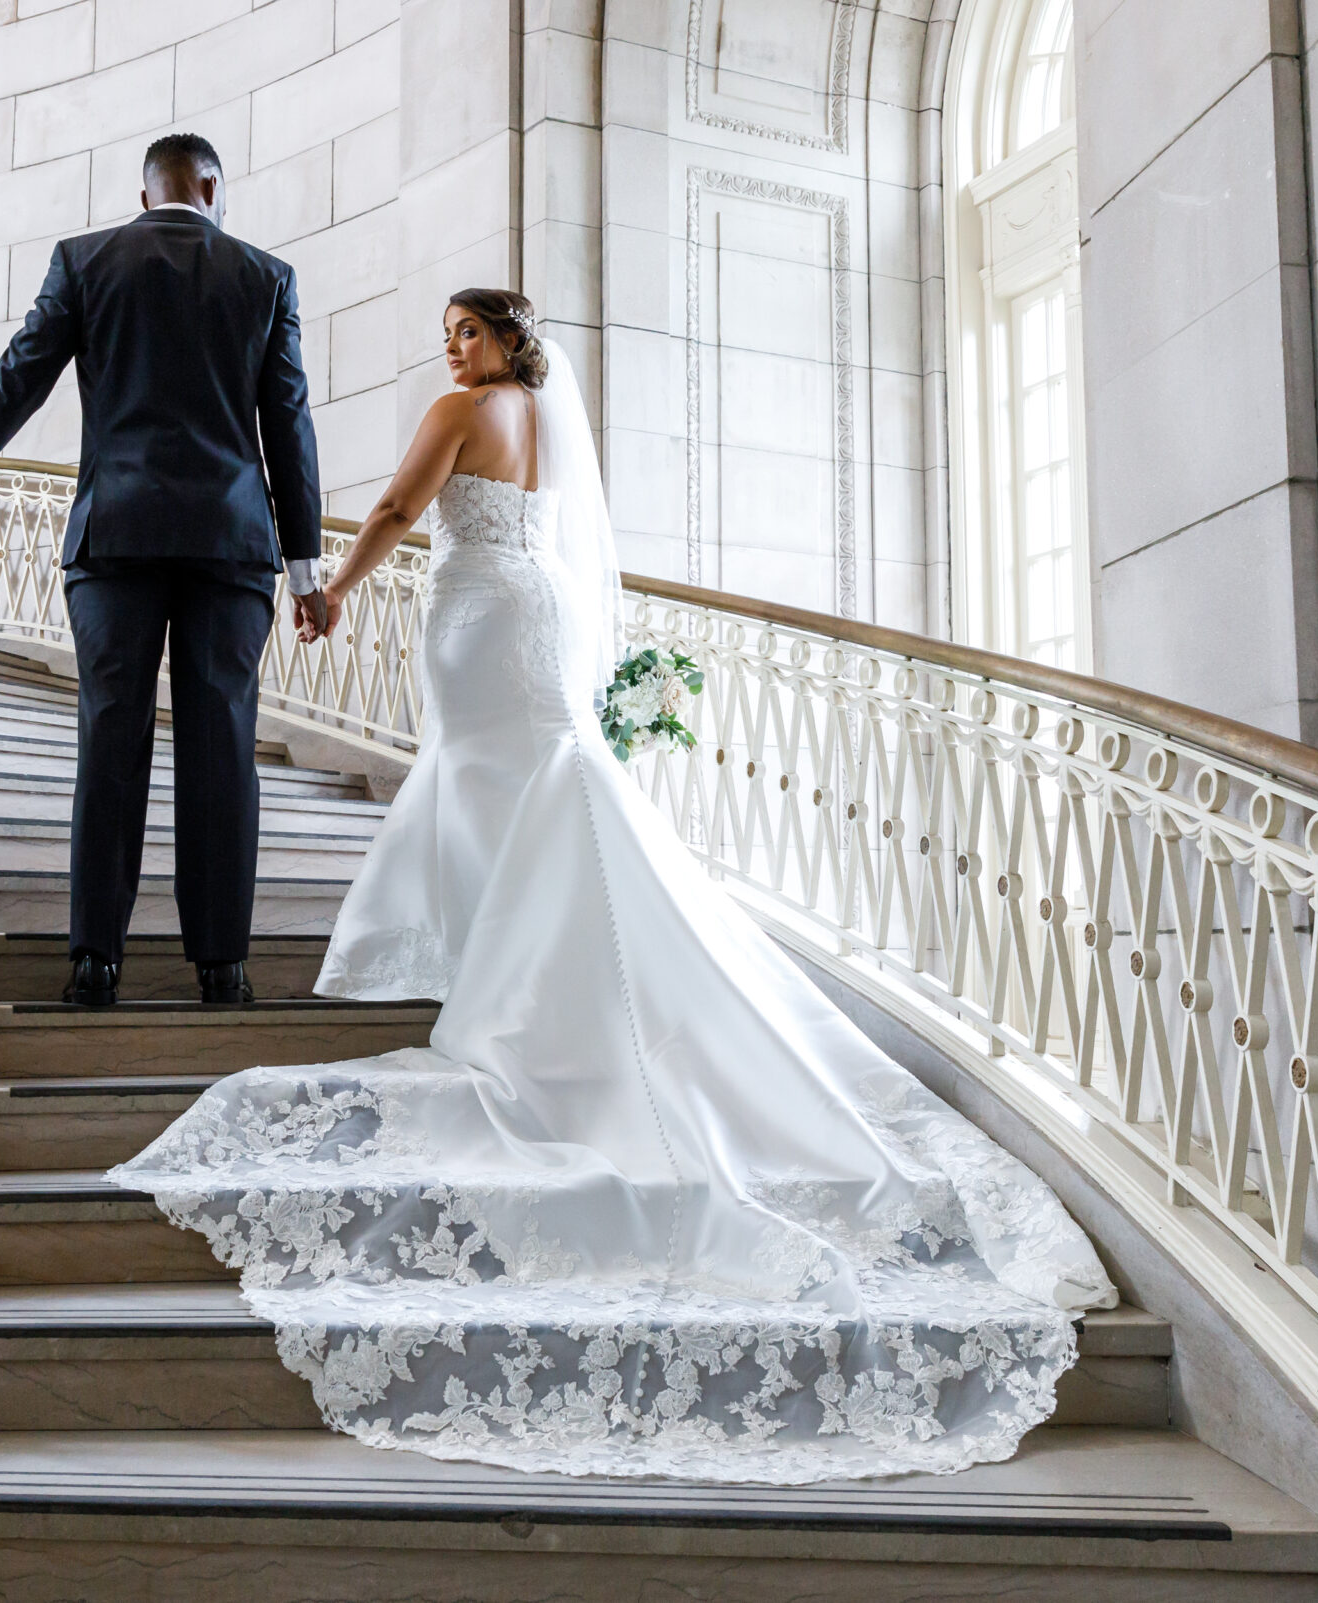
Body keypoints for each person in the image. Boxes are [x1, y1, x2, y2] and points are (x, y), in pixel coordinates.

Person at [115, 289, 1119, 1484]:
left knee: (501, 783)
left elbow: (396, 502)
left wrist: (333, 585)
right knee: (541, 782)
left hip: (482, 616)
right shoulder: (547, 417)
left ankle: (526, 984)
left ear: (503, 340)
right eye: (446, 332)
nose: (452, 346)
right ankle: (537, 963)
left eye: (468, 329)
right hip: (528, 609)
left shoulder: (462, 411)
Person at [0, 133, 329, 1007]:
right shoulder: (264, 276)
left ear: (145, 195)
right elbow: (289, 425)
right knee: (221, 750)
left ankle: (96, 960)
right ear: (211, 187)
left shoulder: (86, 261)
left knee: (110, 743)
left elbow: (18, 380)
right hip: (230, 546)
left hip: (114, 540)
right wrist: (308, 567)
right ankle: (222, 965)